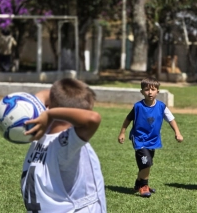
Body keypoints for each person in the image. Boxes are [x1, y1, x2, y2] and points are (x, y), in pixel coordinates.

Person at [22, 78, 107, 212]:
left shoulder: (38, 134)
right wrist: (50, 114)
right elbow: (93, 118)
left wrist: (50, 109)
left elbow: (48, 95)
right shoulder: (65, 144)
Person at [117, 77, 183, 198]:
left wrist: (177, 133)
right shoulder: (138, 107)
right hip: (139, 139)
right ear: (142, 92)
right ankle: (144, 186)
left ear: (158, 91)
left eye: (153, 89)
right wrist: (122, 133)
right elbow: (128, 119)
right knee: (146, 163)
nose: (150, 92)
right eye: (147, 90)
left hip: (153, 139)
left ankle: (138, 183)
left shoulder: (162, 107)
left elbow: (171, 119)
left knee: (146, 163)